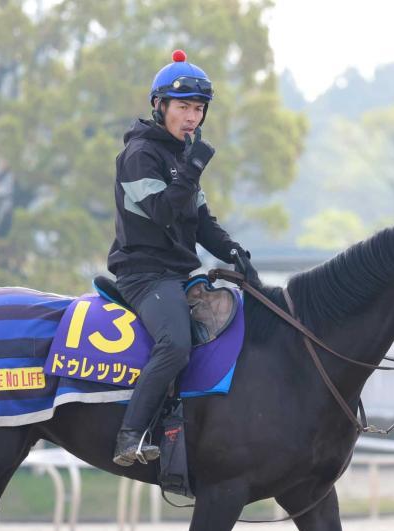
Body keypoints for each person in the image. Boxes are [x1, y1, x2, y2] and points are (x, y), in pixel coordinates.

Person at [107, 49, 251, 467]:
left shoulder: (181, 157)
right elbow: (164, 214)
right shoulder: (139, 156)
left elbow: (201, 221)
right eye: (184, 107)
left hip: (177, 273)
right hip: (144, 275)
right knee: (175, 344)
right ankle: (129, 436)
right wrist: (192, 170)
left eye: (199, 109)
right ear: (159, 106)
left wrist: (234, 251)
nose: (192, 117)